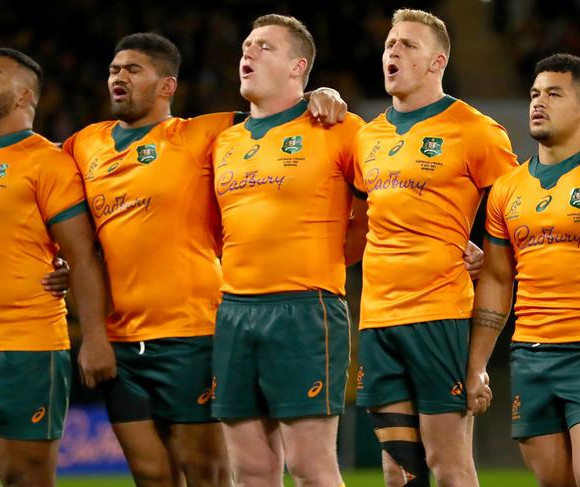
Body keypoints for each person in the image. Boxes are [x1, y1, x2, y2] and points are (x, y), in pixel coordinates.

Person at [62, 32, 345, 487]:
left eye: (133, 70)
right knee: (152, 475)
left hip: (195, 332)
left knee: (210, 475)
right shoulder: (82, 145)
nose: (118, 77)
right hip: (121, 340)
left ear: (167, 86)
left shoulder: (205, 133)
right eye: (114, 69)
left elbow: (278, 111)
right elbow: (32, 178)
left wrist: (320, 93)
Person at [350, 9, 518, 487]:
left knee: (448, 466)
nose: (393, 53)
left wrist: (494, 252)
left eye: (407, 45)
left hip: (439, 315)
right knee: (397, 469)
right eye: (389, 45)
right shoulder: (368, 137)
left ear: (436, 61)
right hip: (378, 319)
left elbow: (519, 206)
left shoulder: (476, 130)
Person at [0, 48, 115, 486]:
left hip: (23, 348)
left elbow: (82, 256)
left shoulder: (47, 161)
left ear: (22, 96)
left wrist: (94, 338)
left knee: (25, 481)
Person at [209, 14, 368, 487]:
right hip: (234, 310)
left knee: (311, 467)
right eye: (245, 46)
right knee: (251, 469)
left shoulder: (338, 127)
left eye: (264, 47)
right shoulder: (224, 141)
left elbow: (385, 203)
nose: (248, 54)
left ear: (299, 66)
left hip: (306, 308)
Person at [467, 53, 580, 487]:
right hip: (531, 357)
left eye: (554, 93)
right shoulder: (508, 188)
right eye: (535, 93)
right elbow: (497, 279)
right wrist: (477, 364)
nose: (539, 101)